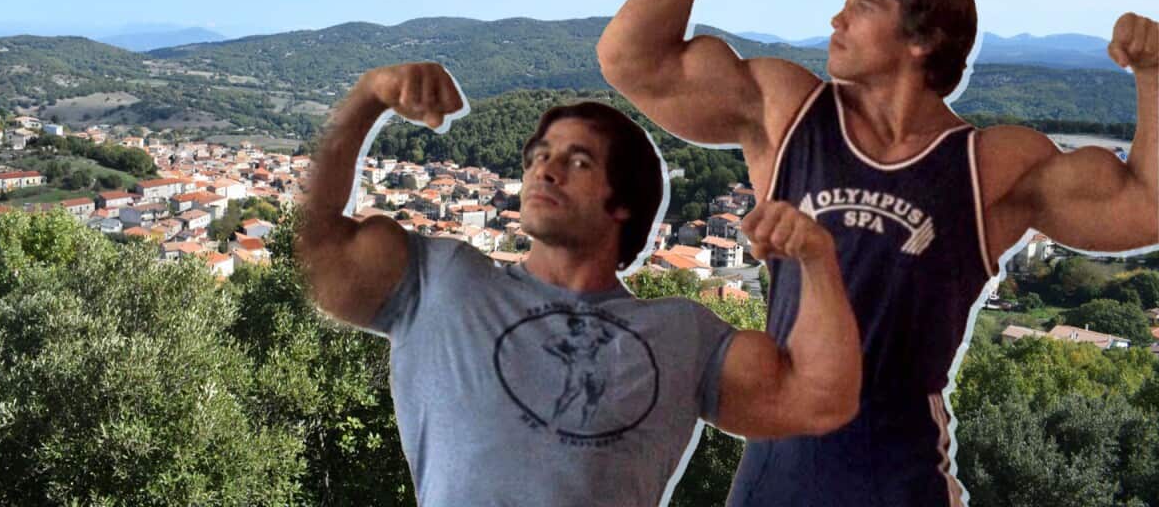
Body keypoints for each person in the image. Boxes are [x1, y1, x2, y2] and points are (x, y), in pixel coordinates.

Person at [596, 0, 1159, 507]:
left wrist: (1152, 72)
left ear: (922, 40)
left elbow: (1144, 208)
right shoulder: (787, 111)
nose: (836, 20)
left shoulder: (990, 165)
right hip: (774, 478)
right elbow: (629, 62)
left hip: (902, 481)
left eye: (861, 5)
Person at [296, 61, 862, 507]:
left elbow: (819, 401)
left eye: (579, 162)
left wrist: (818, 259)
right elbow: (316, 247)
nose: (545, 169)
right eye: (540, 157)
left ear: (623, 203)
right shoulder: (439, 277)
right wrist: (368, 98)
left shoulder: (680, 333)